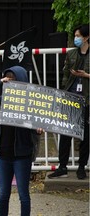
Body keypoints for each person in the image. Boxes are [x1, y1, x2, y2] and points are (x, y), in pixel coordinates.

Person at [0, 66, 43, 216]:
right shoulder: (3, 100)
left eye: (13, 79)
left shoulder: (31, 103)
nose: (10, 82)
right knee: (3, 195)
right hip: (4, 156)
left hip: (22, 156)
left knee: (23, 195)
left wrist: (38, 129)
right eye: (7, 79)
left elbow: (36, 125)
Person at [47, 24, 89, 180]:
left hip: (86, 99)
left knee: (85, 134)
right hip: (71, 97)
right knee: (65, 132)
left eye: (78, 36)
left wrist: (86, 75)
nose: (76, 39)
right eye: (75, 36)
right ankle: (62, 166)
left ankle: (81, 167)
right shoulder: (71, 54)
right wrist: (66, 87)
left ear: (86, 37)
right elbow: (65, 74)